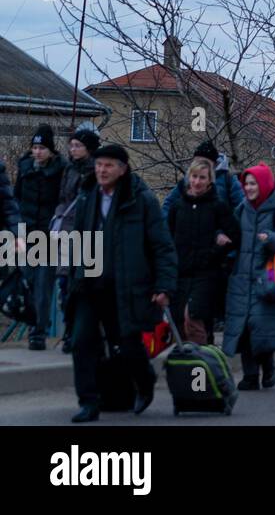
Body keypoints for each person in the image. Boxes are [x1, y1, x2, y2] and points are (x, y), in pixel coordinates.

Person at [65, 144, 177, 422]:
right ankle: (89, 403)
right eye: (99, 164)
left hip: (125, 287)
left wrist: (163, 286)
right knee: (81, 342)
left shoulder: (140, 199)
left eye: (109, 165)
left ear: (123, 169)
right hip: (90, 286)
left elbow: (161, 246)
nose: (102, 170)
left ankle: (145, 381)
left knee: (127, 345)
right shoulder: (86, 195)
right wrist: (71, 278)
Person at [223, 163, 275, 390]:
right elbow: (231, 233)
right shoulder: (242, 209)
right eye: (246, 184)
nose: (249, 188)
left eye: (253, 183)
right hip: (242, 279)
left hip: (267, 282)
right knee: (244, 331)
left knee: (260, 329)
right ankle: (250, 376)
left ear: (263, 185)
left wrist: (269, 238)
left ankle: (269, 367)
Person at [165, 157, 238, 344]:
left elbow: (235, 236)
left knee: (194, 317)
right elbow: (167, 238)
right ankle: (185, 365)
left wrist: (218, 250)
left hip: (206, 274)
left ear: (210, 181)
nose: (197, 182)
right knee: (179, 322)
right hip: (180, 273)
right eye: (194, 177)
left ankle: (202, 363)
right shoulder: (178, 206)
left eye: (202, 178)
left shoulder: (217, 206)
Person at [13, 124, 67, 349]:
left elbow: (64, 199)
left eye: (42, 147)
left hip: (49, 234)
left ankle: (39, 331)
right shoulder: (25, 167)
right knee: (27, 282)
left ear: (50, 150)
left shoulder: (60, 170)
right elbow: (16, 198)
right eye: (35, 147)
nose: (37, 151)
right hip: (27, 233)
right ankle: (30, 324)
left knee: (43, 285)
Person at [53, 126, 99, 352]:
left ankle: (85, 332)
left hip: (91, 236)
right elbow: (63, 198)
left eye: (77, 145)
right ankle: (70, 330)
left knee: (86, 287)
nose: (73, 149)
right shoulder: (69, 170)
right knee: (65, 285)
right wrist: (58, 219)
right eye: (71, 145)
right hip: (67, 234)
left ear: (89, 148)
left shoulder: (98, 171)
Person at [161, 140, 245, 217]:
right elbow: (168, 204)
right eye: (197, 162)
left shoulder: (228, 179)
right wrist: (166, 228)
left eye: (205, 163)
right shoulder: (187, 179)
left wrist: (229, 229)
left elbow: (241, 207)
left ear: (215, 163)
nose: (200, 166)